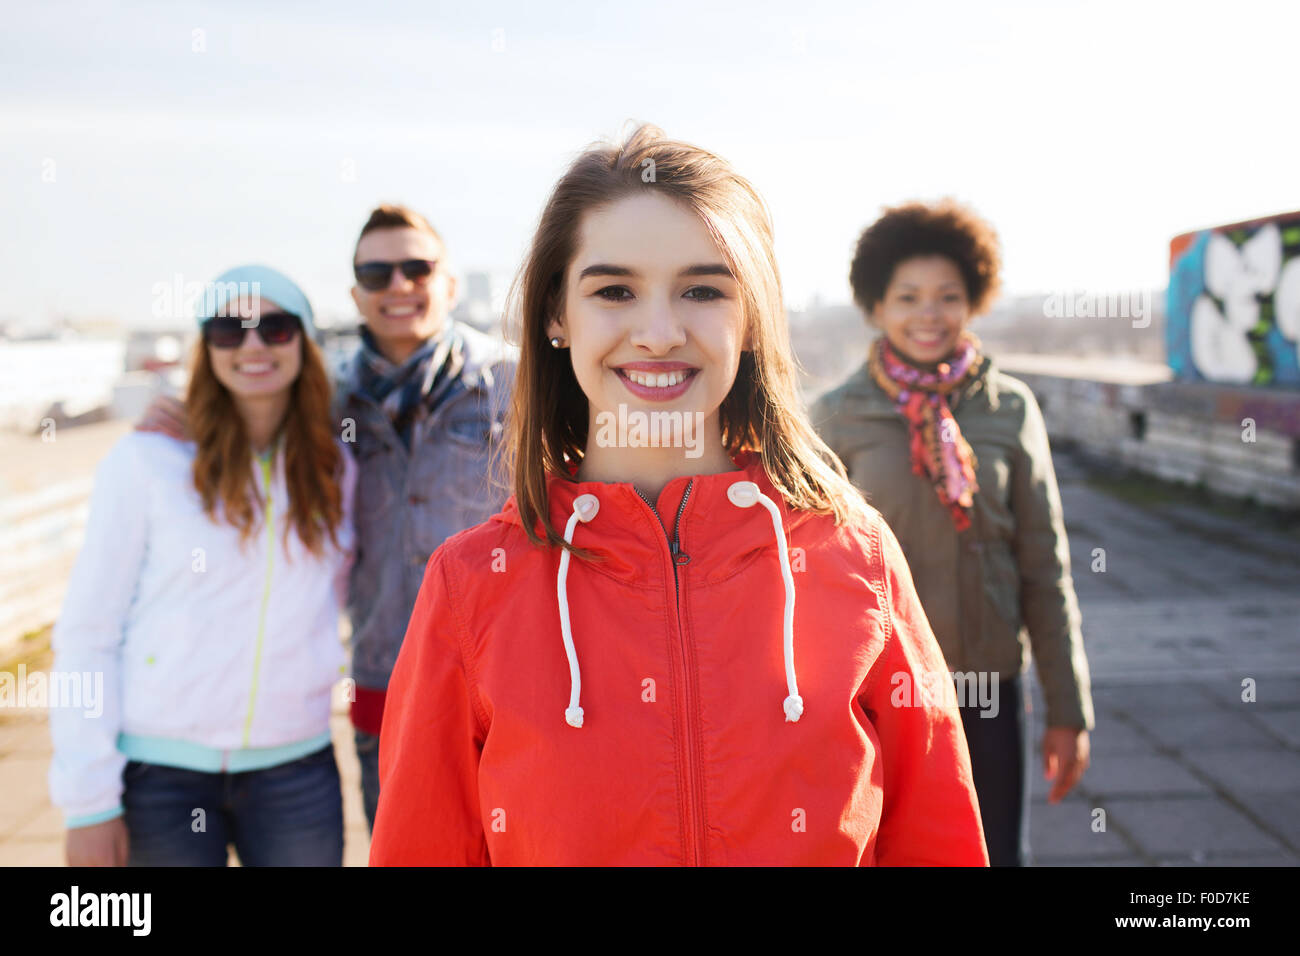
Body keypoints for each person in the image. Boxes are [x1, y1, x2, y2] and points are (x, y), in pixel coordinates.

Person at [368, 125, 988, 866]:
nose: (659, 332)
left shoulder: (859, 559)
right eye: (614, 290)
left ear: (751, 317)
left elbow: (938, 840)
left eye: (701, 289)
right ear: (557, 317)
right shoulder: (470, 586)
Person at [139, 206, 517, 832]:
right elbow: (247, 406)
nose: (397, 286)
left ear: (449, 283)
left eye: (416, 268)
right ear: (355, 294)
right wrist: (186, 418)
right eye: (376, 273)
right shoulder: (326, 403)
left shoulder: (515, 382)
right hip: (384, 690)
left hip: (509, 688)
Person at [810, 200, 1094, 866]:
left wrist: (1068, 708)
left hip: (990, 689)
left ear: (974, 302)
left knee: (995, 855)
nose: (928, 313)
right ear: (876, 307)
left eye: (948, 296)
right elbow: (810, 576)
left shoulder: (1010, 409)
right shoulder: (836, 418)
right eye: (908, 296)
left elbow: (1044, 565)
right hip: (882, 699)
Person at [49, 266, 356, 866]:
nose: (253, 346)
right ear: (205, 345)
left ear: (305, 342)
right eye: (228, 329)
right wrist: (87, 801)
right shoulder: (145, 461)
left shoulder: (336, 470)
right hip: (162, 777)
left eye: (276, 327)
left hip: (296, 768)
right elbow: (88, 634)